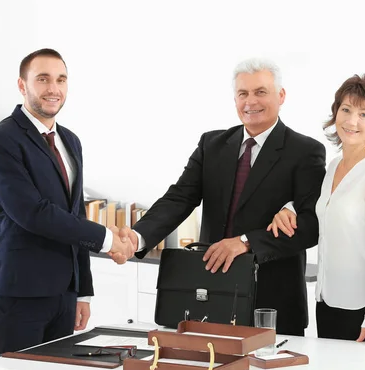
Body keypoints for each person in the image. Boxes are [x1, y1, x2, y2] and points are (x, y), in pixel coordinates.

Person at [115, 58, 326, 336]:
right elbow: (179, 198)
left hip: (272, 303)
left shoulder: (306, 151)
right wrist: (138, 236)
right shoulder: (211, 144)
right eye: (243, 93)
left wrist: (245, 242)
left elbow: (310, 226)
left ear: (281, 95)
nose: (250, 101)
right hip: (211, 295)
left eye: (260, 92)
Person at [0, 48, 133, 370]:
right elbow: (32, 212)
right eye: (43, 79)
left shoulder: (70, 141)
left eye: (61, 79)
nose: (53, 88)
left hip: (63, 293)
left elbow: (73, 214)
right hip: (21, 291)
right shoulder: (0, 140)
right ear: (22, 85)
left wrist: (83, 290)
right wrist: (108, 239)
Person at [267, 74, 365, 348]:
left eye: (364, 114)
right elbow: (322, 207)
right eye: (346, 110)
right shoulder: (334, 166)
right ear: (336, 113)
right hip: (328, 304)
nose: (352, 121)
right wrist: (288, 207)